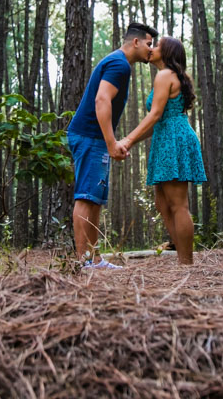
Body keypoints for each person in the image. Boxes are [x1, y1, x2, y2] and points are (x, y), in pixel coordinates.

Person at [67, 22, 157, 269]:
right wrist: (110, 143)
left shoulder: (118, 62)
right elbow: (101, 99)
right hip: (90, 136)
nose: (152, 49)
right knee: (86, 198)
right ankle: (84, 262)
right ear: (136, 42)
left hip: (92, 137)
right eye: (149, 44)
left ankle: (94, 260)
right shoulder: (119, 64)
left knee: (94, 198)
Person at [118, 35, 206, 265]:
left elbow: (155, 114)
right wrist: (132, 141)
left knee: (178, 204)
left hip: (174, 139)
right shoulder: (169, 76)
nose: (152, 48)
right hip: (166, 137)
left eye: (157, 46)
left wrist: (127, 140)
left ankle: (186, 264)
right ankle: (182, 257)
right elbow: (159, 119)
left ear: (166, 53)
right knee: (162, 203)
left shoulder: (165, 75)